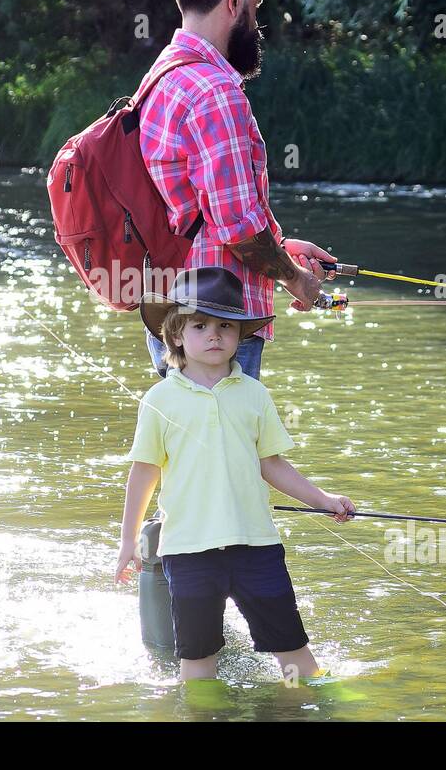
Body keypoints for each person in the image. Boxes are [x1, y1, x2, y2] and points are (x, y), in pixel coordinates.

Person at [115, 267, 354, 681]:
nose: (214, 335)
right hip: (188, 550)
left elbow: (271, 464)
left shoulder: (255, 395)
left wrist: (324, 500)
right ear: (175, 335)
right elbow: (144, 471)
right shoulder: (159, 399)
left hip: (256, 546)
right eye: (200, 325)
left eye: (226, 326)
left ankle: (311, 706)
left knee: (293, 650)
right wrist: (128, 541)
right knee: (197, 659)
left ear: (240, 335)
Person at [137, 0, 338, 382]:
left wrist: (282, 248)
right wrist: (294, 279)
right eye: (256, 7)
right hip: (218, 322)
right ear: (234, 2)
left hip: (172, 312)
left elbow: (196, 214)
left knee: (191, 450)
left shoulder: (160, 78)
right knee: (225, 452)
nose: (257, 22)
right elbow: (238, 227)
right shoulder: (214, 93)